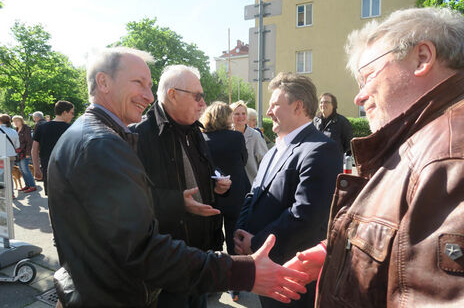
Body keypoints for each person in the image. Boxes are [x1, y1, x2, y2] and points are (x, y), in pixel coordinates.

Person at [48, 47, 309, 308]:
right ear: (103, 82)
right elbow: (141, 249)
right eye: (139, 83)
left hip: (163, 273)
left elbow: (118, 213)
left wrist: (210, 189)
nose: (149, 96)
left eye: (150, 86)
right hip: (130, 291)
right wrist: (243, 272)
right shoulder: (102, 143)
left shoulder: (92, 136)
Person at [286, 7, 464, 307]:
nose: (359, 96)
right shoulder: (421, 139)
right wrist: (340, 248)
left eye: (368, 76)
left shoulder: (448, 155)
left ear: (422, 58)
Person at [234, 72, 343, 308]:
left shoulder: (320, 148)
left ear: (298, 106)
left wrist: (257, 241)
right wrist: (241, 233)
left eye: (274, 105)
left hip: (291, 272)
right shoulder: (273, 150)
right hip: (265, 267)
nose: (268, 112)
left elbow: (307, 214)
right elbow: (253, 195)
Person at [132, 65, 232, 308]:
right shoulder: (138, 135)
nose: (203, 103)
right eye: (197, 95)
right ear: (173, 94)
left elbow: (198, 175)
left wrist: (215, 185)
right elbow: (129, 201)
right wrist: (178, 202)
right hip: (167, 264)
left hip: (199, 255)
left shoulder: (195, 131)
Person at [200, 101, 251, 302]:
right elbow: (244, 160)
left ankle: (211, 282)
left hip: (211, 196)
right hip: (235, 194)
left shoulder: (202, 138)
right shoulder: (237, 137)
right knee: (233, 239)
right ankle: (234, 286)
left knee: (211, 239)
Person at [31, 100, 74, 194]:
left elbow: (34, 149)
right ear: (64, 112)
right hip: (67, 170)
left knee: (52, 199)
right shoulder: (72, 129)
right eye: (71, 113)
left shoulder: (41, 127)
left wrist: (37, 168)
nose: (73, 115)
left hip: (48, 168)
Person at [231, 100, 268, 184]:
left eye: (243, 113)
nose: (241, 116)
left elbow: (264, 161)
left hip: (252, 184)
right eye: (237, 114)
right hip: (232, 186)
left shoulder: (255, 135)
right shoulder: (227, 134)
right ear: (231, 116)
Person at [12, 115, 36, 193]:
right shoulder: (16, 129)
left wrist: (28, 153)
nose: (15, 122)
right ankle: (27, 185)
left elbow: (29, 142)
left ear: (21, 121)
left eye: (17, 121)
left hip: (25, 152)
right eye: (14, 121)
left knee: (25, 170)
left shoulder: (26, 128)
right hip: (18, 153)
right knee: (21, 170)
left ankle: (32, 186)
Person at [0, 114, 20, 197]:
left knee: (1, 176)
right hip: (11, 156)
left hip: (1, 156)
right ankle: (11, 193)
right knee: (8, 175)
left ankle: (3, 195)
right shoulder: (13, 131)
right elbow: (17, 145)